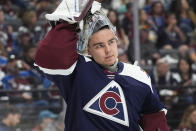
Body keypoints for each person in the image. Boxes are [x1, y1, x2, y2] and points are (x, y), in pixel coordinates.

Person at [34, 0, 169, 130]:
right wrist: (67, 21)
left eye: (111, 42)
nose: (108, 50)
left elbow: (155, 119)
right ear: (88, 49)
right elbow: (48, 56)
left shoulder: (138, 75)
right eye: (99, 46)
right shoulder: (77, 69)